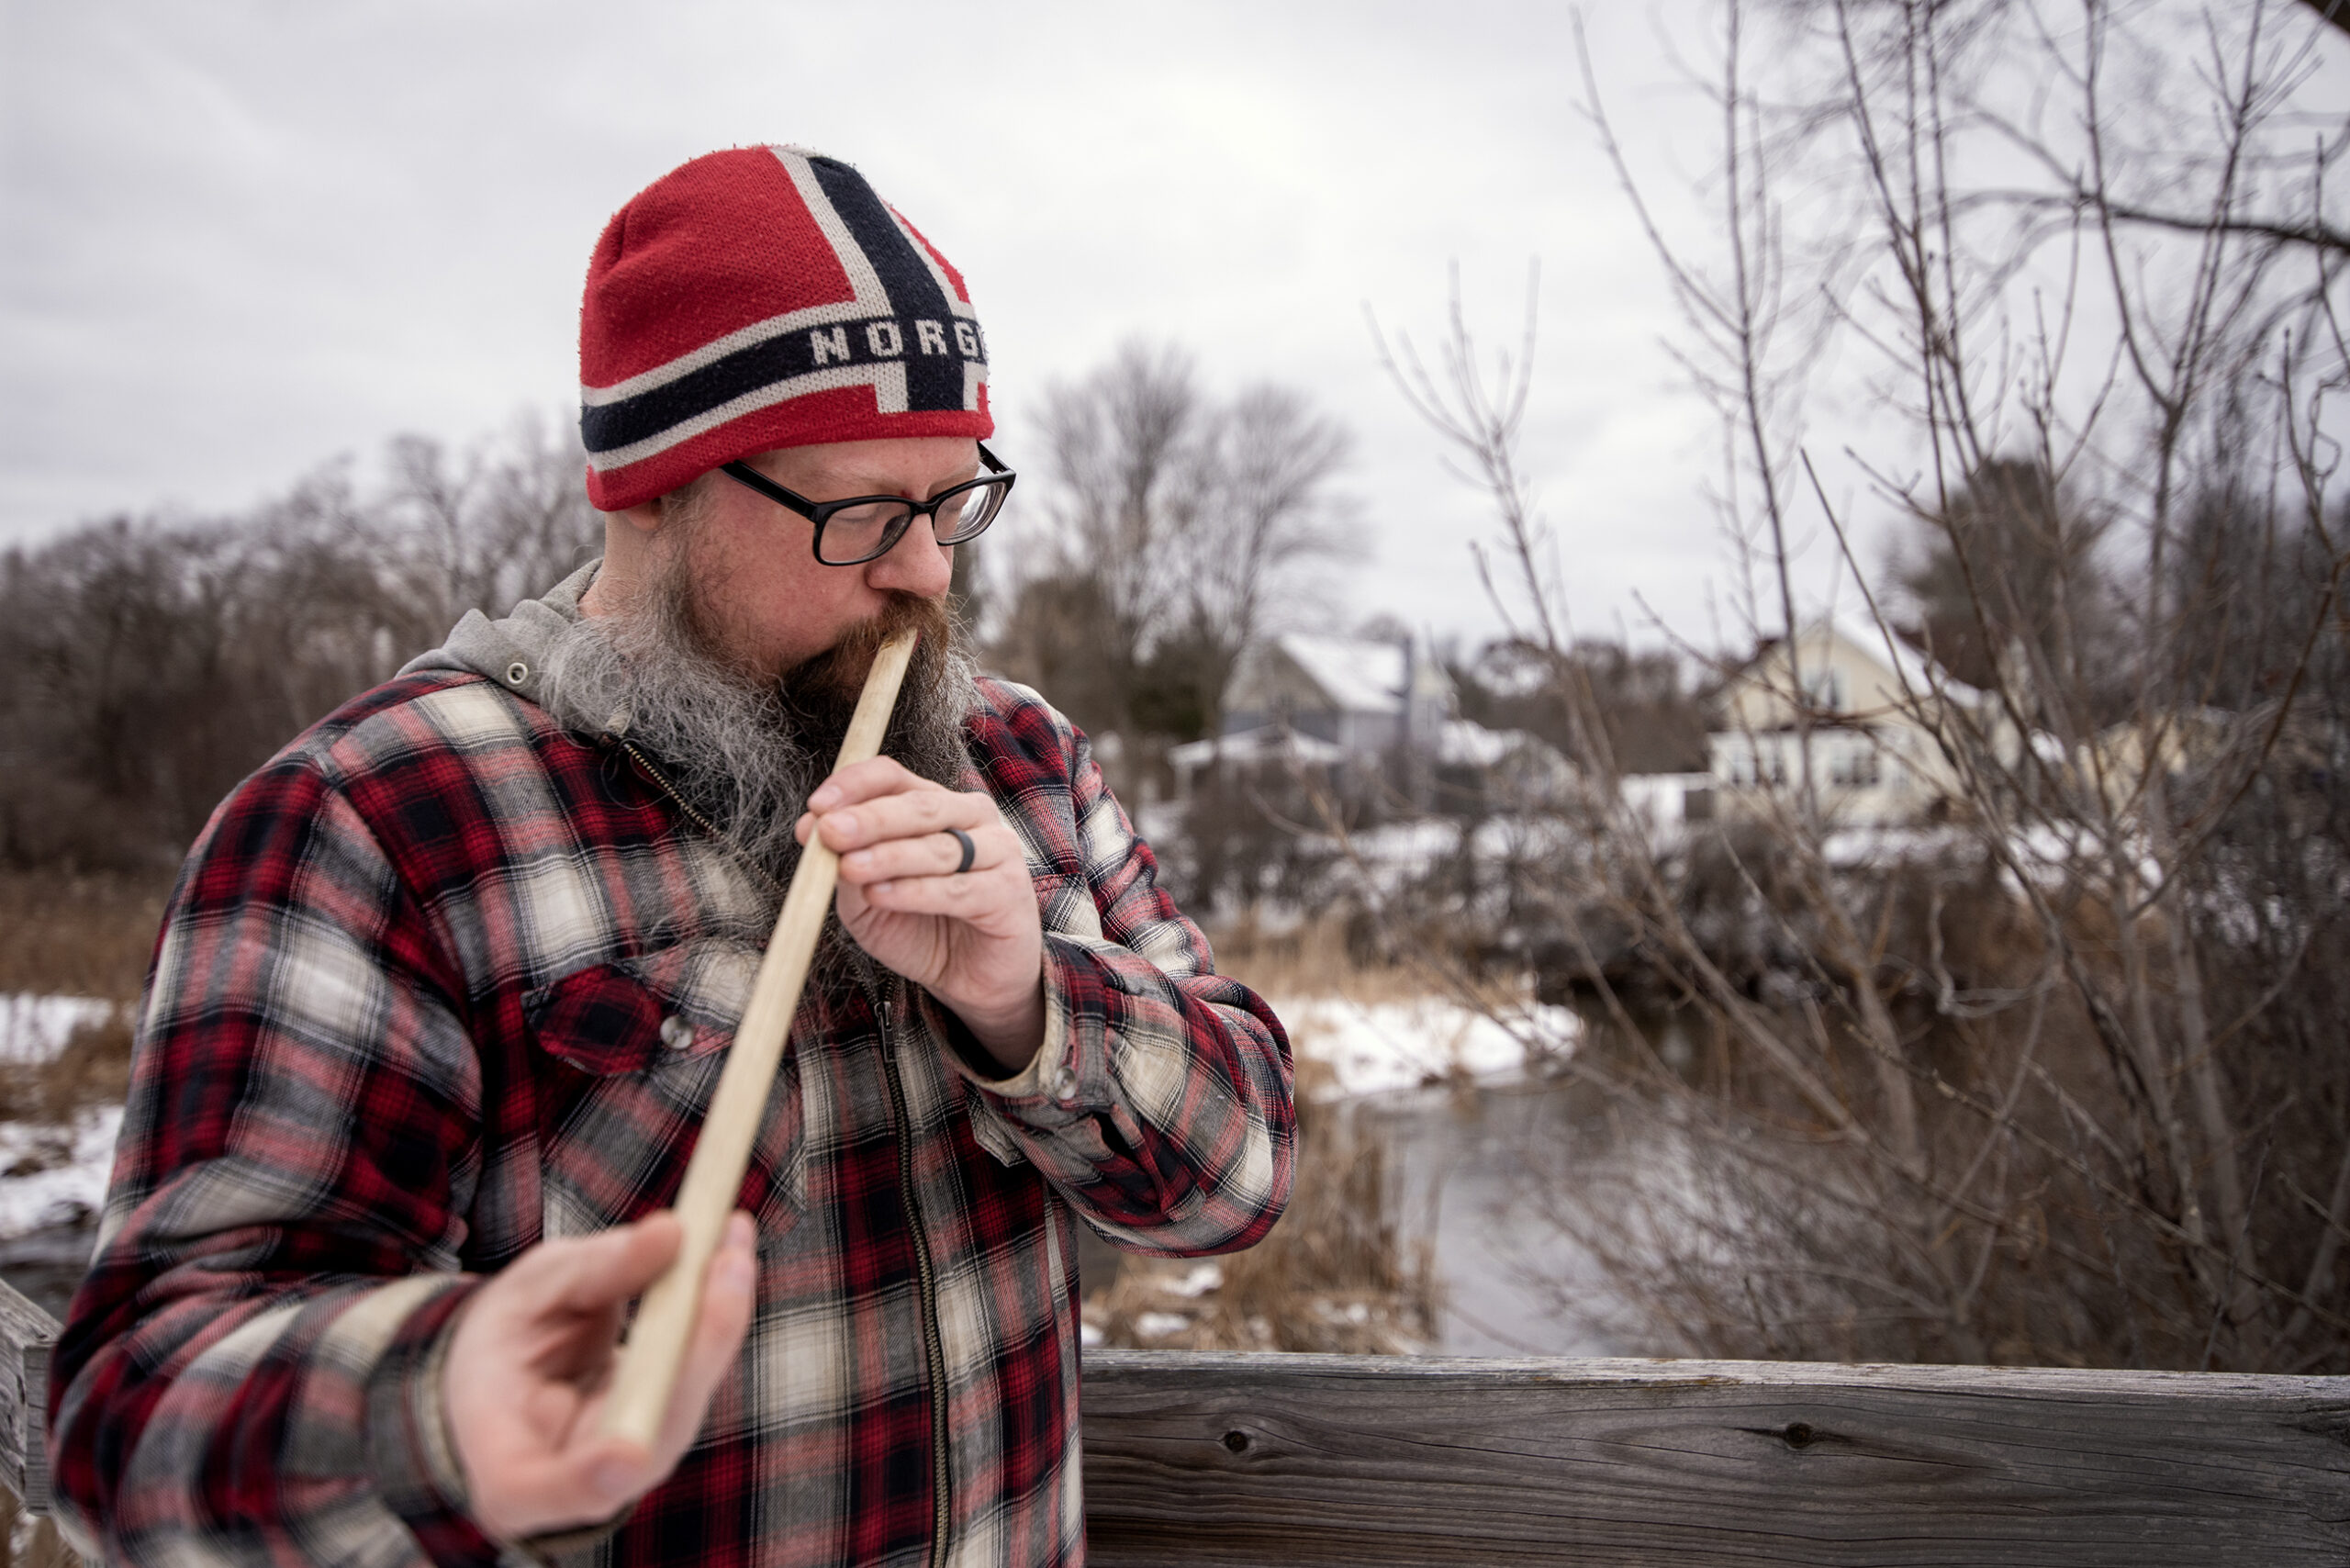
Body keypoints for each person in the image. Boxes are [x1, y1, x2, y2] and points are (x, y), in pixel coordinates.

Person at [49, 145, 1295, 1568]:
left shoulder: (1015, 757)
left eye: (954, 501)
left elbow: (1241, 1181)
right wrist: (435, 1402)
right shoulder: (375, 820)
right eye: (864, 514)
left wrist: (1032, 1006)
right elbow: (132, 1416)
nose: (930, 574)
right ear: (652, 488)